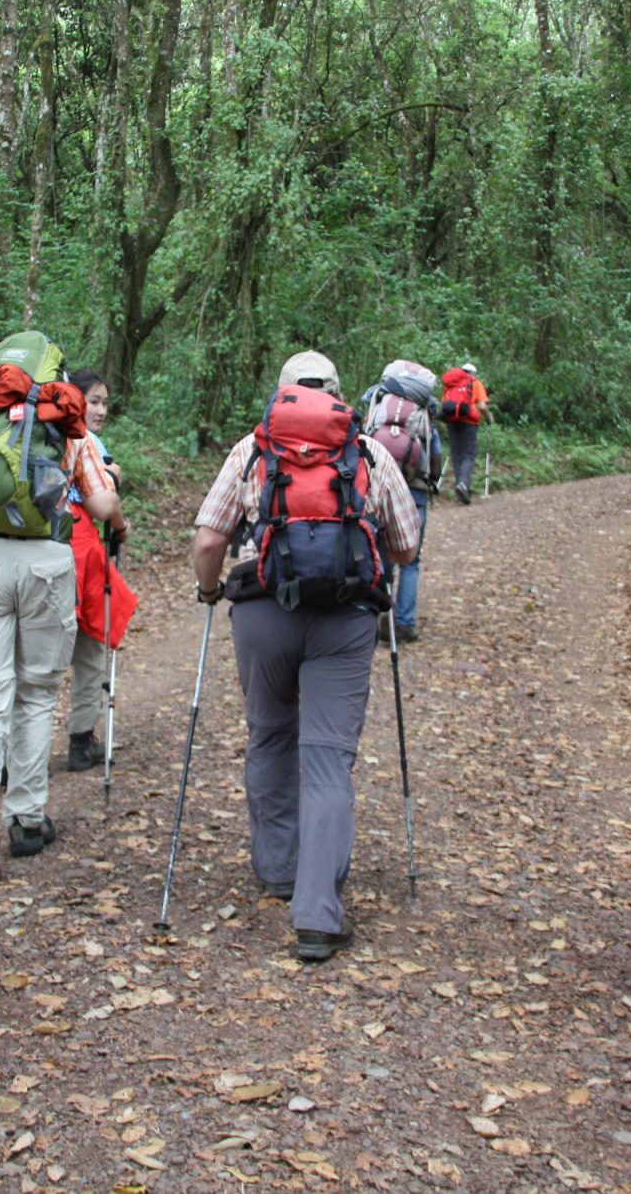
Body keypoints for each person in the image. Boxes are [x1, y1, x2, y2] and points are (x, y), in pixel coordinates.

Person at [191, 351, 421, 962]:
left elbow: (211, 537)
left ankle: (277, 869)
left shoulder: (254, 449)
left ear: (282, 393)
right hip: (344, 622)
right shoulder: (367, 453)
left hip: (263, 614)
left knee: (269, 735)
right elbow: (405, 547)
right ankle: (318, 914)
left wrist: (211, 590)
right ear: (342, 395)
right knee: (326, 760)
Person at [0, 336, 127, 880]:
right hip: (47, 561)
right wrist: (115, 504)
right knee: (34, 692)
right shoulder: (61, 422)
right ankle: (26, 819)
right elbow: (99, 503)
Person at [63, 371, 136, 772]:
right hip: (80, 547)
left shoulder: (43, 434)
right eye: (93, 401)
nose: (101, 410)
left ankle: (7, 756)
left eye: (105, 402)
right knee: (91, 643)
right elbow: (103, 502)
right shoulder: (81, 440)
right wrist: (113, 480)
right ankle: (80, 739)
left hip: (51, 542)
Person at [359, 359, 440, 644]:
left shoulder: (378, 402)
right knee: (411, 560)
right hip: (415, 492)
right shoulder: (424, 410)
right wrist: (433, 481)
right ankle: (404, 623)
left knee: (380, 554)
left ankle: (377, 613)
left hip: (378, 492)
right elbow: (435, 454)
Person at [439, 362, 490, 503]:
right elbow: (482, 405)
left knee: (457, 454)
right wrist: (488, 417)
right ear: (472, 373)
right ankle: (463, 484)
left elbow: (444, 403)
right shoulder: (475, 383)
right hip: (469, 421)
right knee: (468, 454)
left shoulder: (450, 384)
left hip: (451, 420)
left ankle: (460, 489)